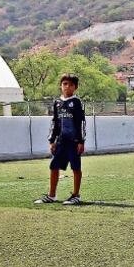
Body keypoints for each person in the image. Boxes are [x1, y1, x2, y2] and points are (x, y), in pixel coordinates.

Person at [34, 74, 87, 205]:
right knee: (54, 166)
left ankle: (76, 195)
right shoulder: (57, 103)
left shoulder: (76, 102)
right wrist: (52, 141)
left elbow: (81, 123)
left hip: (74, 142)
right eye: (65, 84)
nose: (67, 87)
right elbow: (55, 123)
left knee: (76, 167)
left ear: (75, 87)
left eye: (71, 84)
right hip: (61, 141)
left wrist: (81, 141)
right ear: (61, 86)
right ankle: (52, 195)